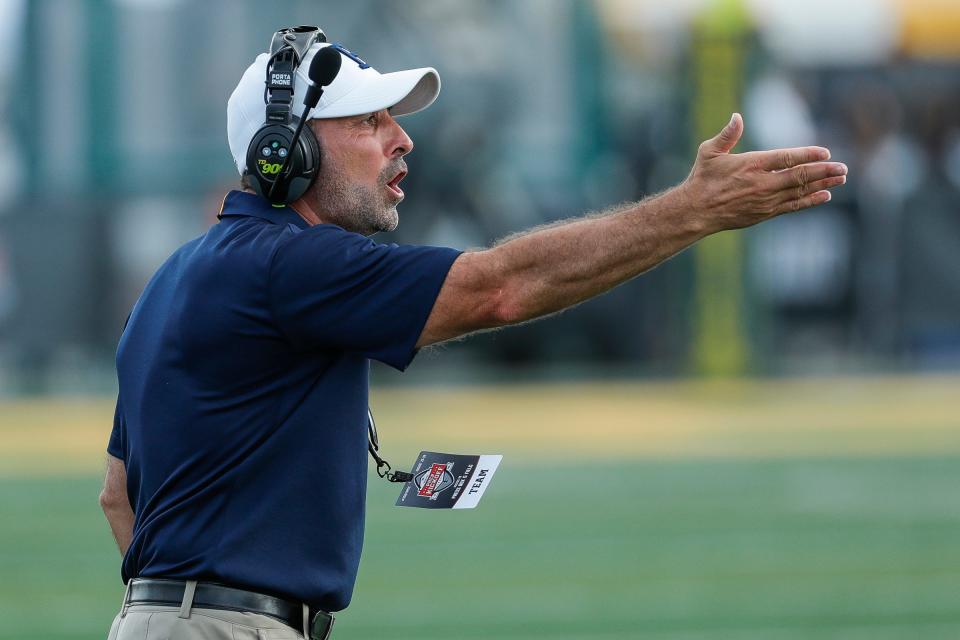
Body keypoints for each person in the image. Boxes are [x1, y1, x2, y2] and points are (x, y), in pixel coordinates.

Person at [98, 30, 848, 640]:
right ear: (283, 153)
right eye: (369, 122)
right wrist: (691, 211)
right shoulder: (290, 264)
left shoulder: (176, 277)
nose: (402, 141)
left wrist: (173, 610)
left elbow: (117, 498)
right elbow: (501, 288)